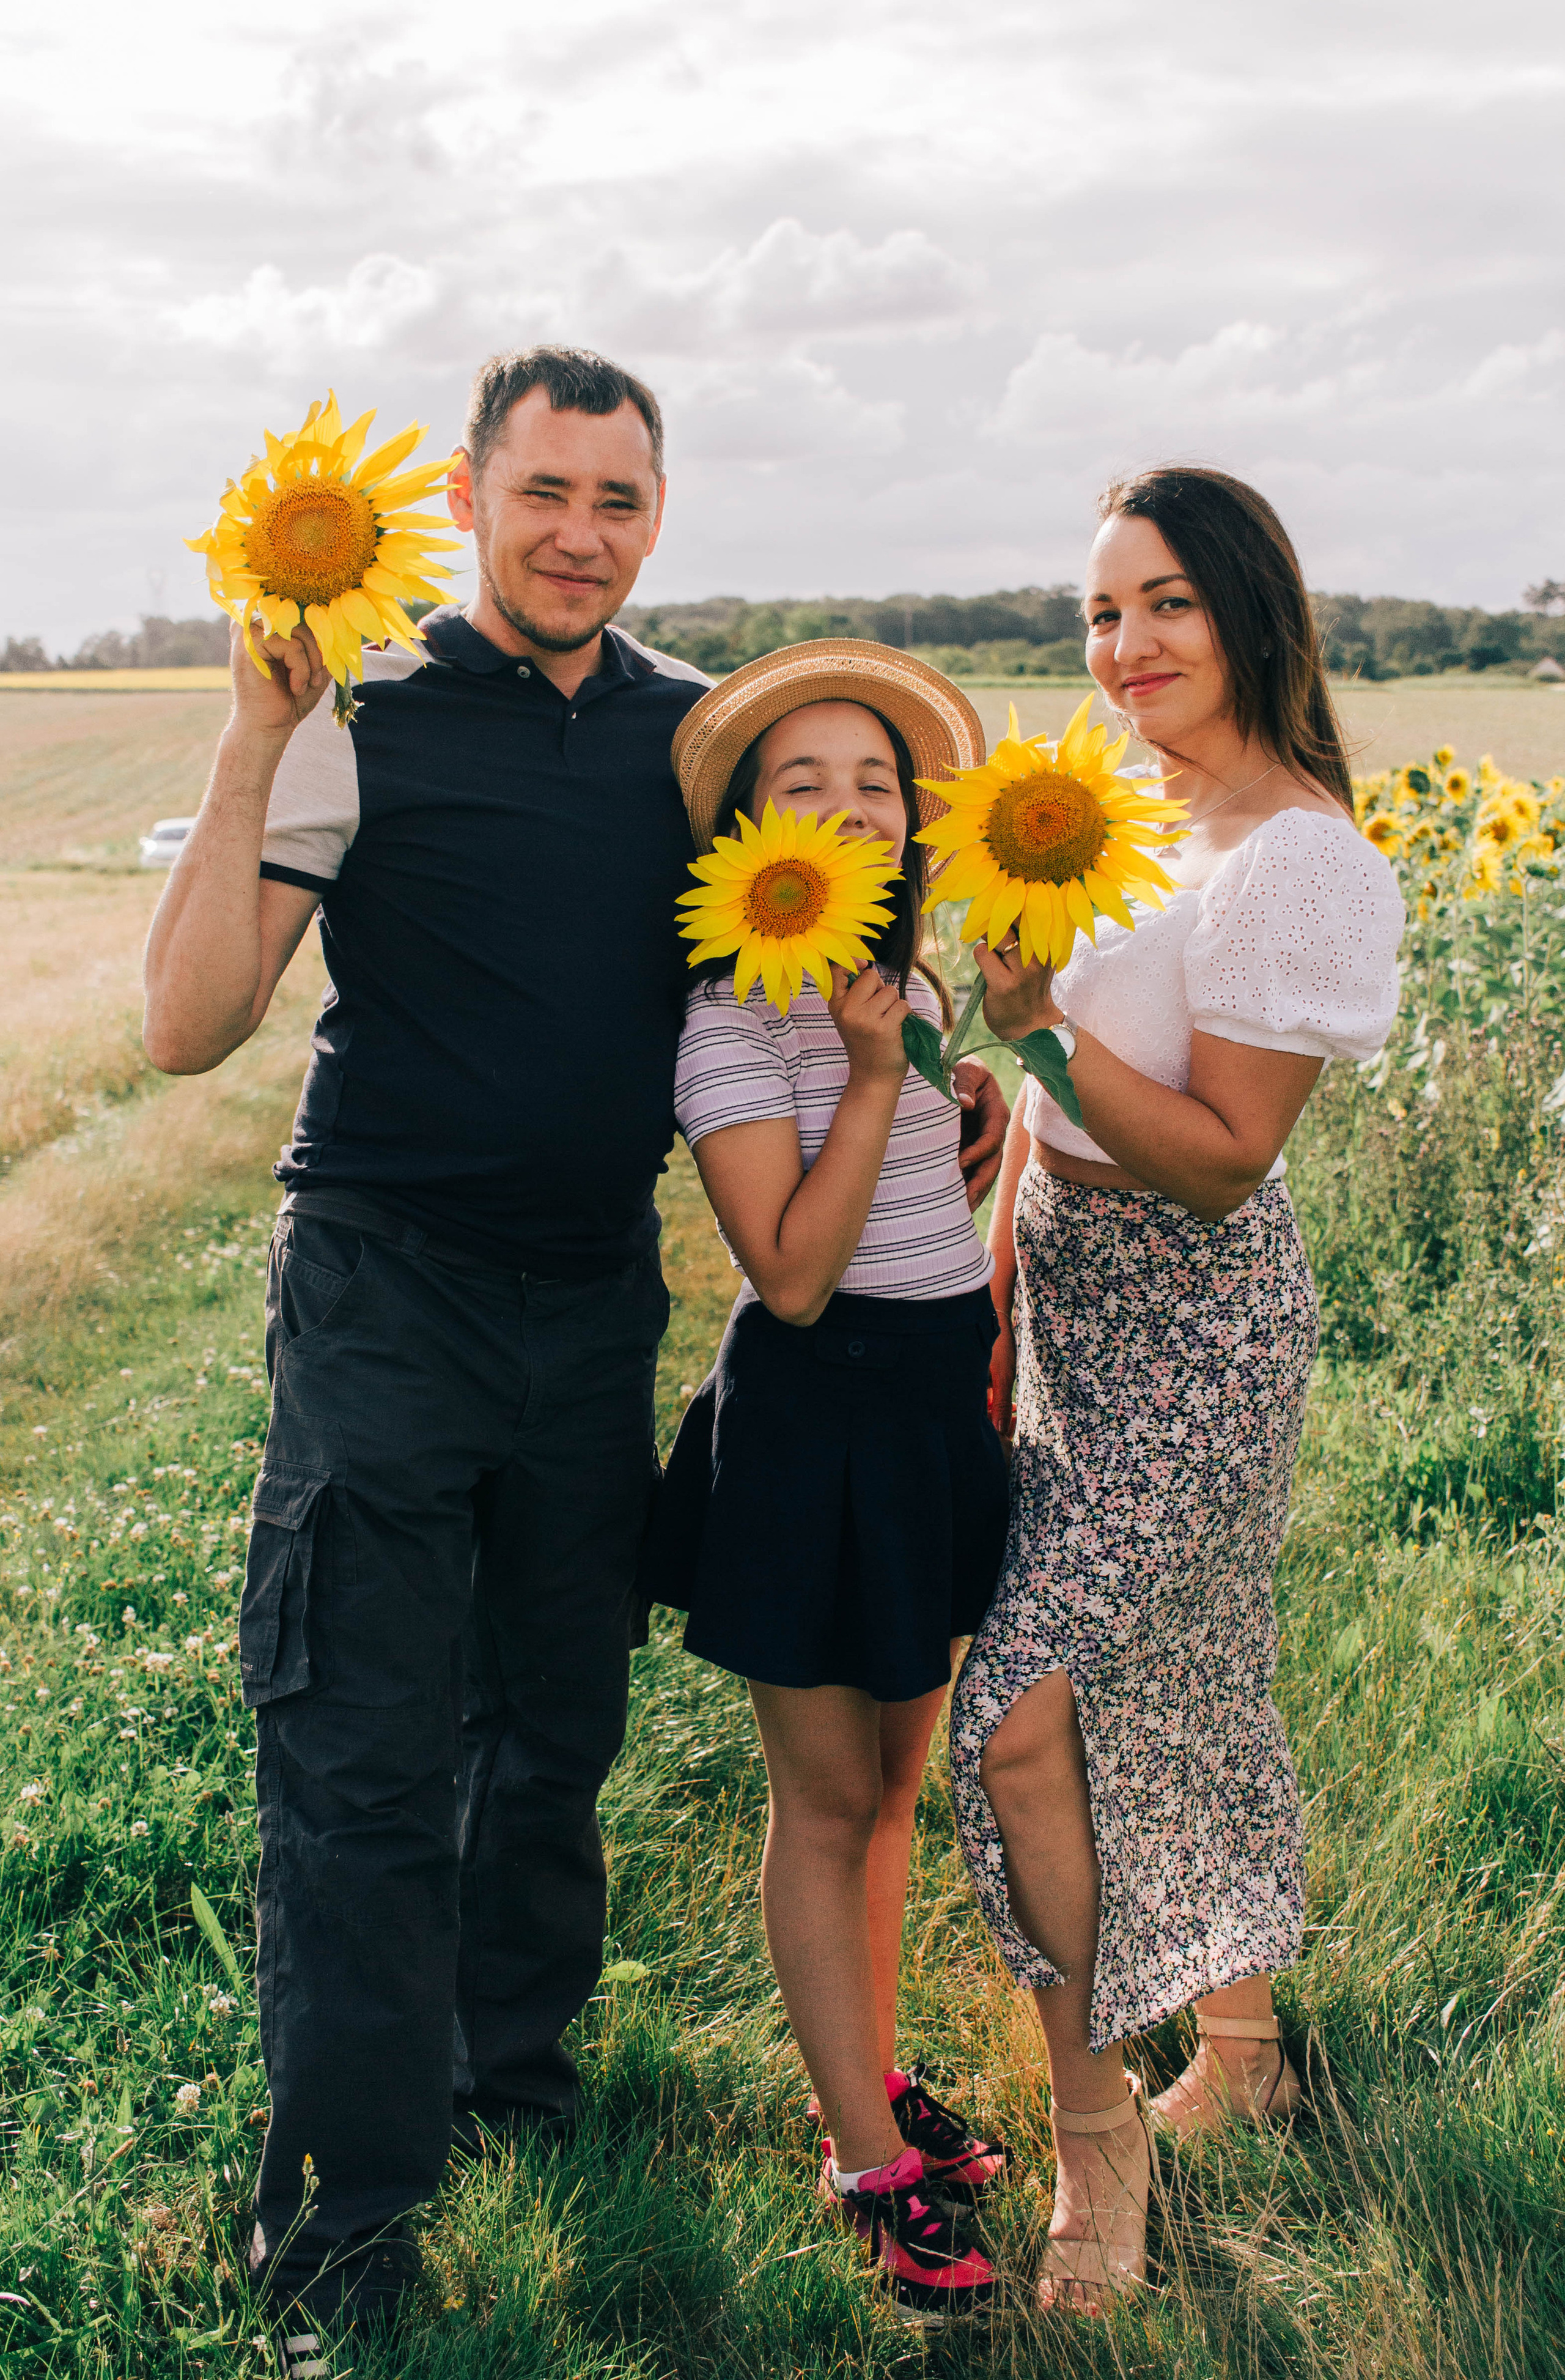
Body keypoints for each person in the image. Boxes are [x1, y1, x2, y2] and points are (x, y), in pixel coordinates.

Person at [141, 348, 1009, 2354]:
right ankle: (348, 2219)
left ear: (657, 516)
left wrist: (942, 1083)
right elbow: (185, 1027)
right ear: (465, 495)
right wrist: (253, 737)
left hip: (592, 1296)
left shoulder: (688, 745)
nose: (579, 534)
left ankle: (510, 2087)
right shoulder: (362, 713)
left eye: (619, 500)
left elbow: (815, 945)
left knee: (553, 1728)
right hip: (386, 1283)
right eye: (544, 490)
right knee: (362, 1749)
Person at [947, 466, 1405, 2313]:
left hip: (1198, 1325)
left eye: (1165, 606)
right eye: (1101, 613)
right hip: (1067, 1290)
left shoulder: (1300, 860)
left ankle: (1101, 2151)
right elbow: (1046, 1108)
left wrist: (1042, 1031)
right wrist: (997, 1274)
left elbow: (1222, 1158)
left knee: (1018, 1713)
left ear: (1248, 612)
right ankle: (1248, 2047)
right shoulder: (1125, 812)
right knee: (1184, 1670)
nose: (1124, 646)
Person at [640, 643, 1014, 2326]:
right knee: (825, 1800)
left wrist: (952, 1095)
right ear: (750, 831)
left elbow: (915, 1199)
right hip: (814, 1423)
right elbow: (791, 1273)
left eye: (878, 782)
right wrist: (873, 1084)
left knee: (897, 1786)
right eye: (806, 784)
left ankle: (864, 2072)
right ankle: (865, 2159)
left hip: (927, 1412)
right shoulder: (734, 1017)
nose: (851, 809)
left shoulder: (904, 991)